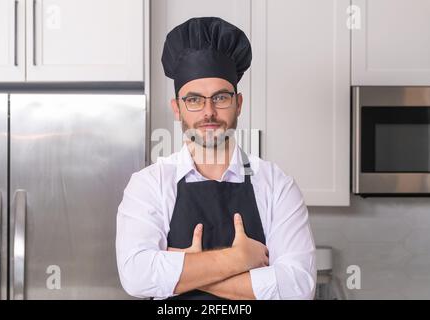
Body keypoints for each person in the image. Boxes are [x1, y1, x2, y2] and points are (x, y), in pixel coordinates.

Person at [116, 17, 316, 300]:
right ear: (177, 108)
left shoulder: (277, 185)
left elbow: (297, 287)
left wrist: (183, 271)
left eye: (221, 97)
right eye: (194, 100)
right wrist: (237, 260)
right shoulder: (149, 184)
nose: (208, 112)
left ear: (238, 103)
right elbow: (136, 275)